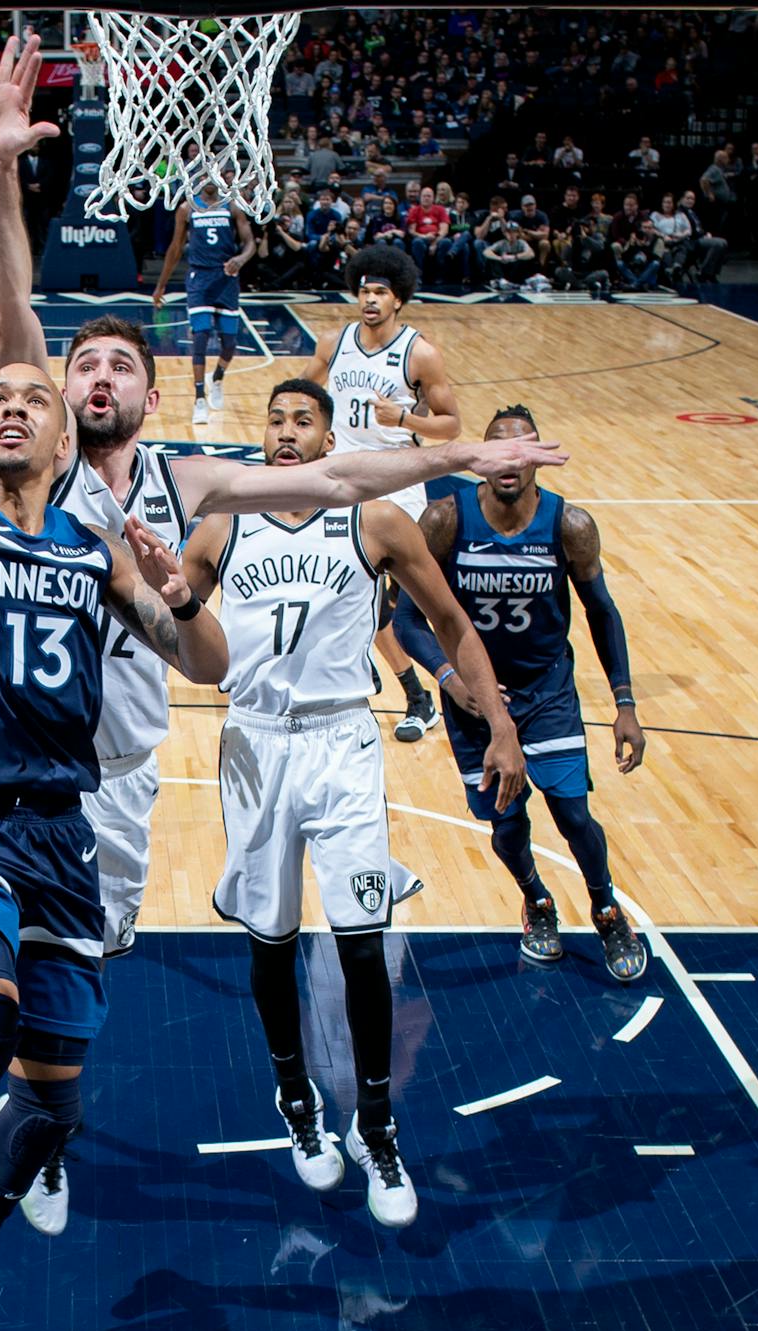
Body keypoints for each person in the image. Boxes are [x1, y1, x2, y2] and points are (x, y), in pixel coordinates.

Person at [0, 73, 557, 1331]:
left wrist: (443, 469)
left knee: (55, 1082)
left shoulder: (174, 490)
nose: (88, 373)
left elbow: (302, 520)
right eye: (75, 360)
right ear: (53, 386)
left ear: (145, 399)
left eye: (117, 363)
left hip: (98, 795)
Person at [182, 377, 528, 1227]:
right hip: (256, 743)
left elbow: (448, 621)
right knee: (272, 937)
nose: (287, 432)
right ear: (261, 440)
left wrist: (500, 725)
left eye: (304, 421)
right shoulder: (222, 521)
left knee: (361, 942)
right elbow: (165, 617)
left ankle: (376, 1125)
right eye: (275, 421)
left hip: (342, 741)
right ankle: (295, 1099)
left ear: (330, 441)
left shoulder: (373, 520)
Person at [392, 405, 650, 982]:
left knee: (574, 814)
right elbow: (406, 619)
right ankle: (536, 901)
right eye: (498, 450)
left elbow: (602, 613)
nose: (510, 461)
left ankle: (606, 907)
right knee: (506, 824)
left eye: (523, 449)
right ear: (482, 459)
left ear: (538, 454)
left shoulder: (570, 526)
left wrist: (625, 703)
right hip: (474, 704)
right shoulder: (443, 522)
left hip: (546, 691)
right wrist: (450, 678)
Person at [302, 245, 462, 742]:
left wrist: (406, 419)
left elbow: (452, 424)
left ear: (399, 299)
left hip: (398, 484)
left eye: (380, 292)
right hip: (343, 478)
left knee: (393, 604)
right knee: (350, 591)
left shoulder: (419, 352)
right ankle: (414, 695)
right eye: (364, 290)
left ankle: (429, 687)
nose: (369, 299)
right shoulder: (335, 341)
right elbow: (304, 393)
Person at [151, 172, 256, 424]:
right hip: (199, 279)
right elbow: (175, 249)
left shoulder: (232, 206)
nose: (209, 180)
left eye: (213, 175)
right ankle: (199, 398)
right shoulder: (187, 208)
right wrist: (161, 285)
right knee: (201, 336)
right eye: (205, 175)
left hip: (226, 279)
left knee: (229, 343)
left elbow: (250, 243)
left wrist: (241, 259)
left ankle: (217, 378)